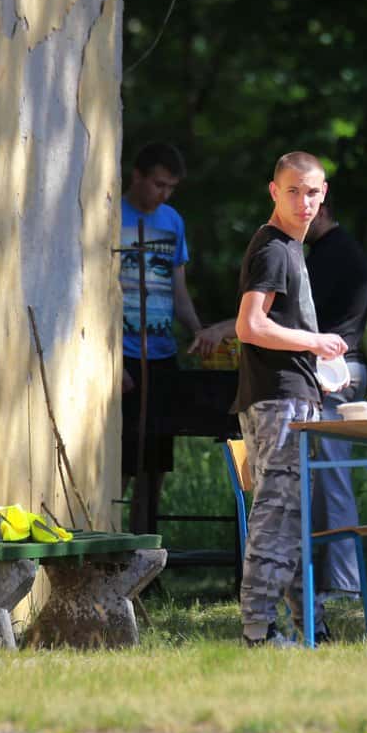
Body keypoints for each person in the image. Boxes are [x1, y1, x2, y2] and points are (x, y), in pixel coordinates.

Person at [232, 151, 348, 647]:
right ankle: (258, 629)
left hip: (291, 395)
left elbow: (276, 328)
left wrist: (316, 367)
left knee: (291, 515)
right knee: (277, 516)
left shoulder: (291, 248)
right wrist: (315, 342)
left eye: (312, 192)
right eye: (294, 191)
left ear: (324, 195)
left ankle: (310, 626)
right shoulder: (274, 249)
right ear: (274, 192)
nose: (304, 202)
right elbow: (250, 326)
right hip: (278, 402)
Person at [118, 142, 220, 522]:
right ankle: (109, 538)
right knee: (122, 456)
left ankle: (145, 538)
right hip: (123, 352)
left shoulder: (173, 221)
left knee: (156, 458)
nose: (164, 194)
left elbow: (179, 290)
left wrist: (198, 330)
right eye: (158, 184)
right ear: (137, 176)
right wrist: (111, 361)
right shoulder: (111, 213)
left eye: (171, 188)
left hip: (162, 352)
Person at [303, 197, 367, 597]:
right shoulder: (334, 251)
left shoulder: (333, 253)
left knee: (332, 478)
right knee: (323, 478)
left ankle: (345, 583)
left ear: (325, 208)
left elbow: (293, 316)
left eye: (309, 206)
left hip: (335, 375)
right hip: (344, 371)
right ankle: (323, 578)